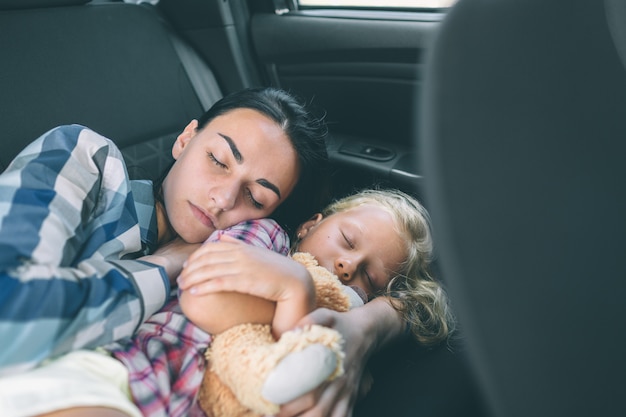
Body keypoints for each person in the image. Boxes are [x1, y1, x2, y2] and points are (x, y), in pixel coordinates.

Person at [0, 189, 453, 417]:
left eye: (370, 277)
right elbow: (205, 294)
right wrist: (295, 289)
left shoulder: (342, 335)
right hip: (128, 379)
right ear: (309, 224)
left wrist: (371, 319)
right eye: (347, 240)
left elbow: (420, 311)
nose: (346, 266)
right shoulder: (265, 239)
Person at [0, 86, 328, 378]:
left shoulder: (235, 283)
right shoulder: (87, 158)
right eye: (218, 159)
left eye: (255, 198)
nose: (223, 199)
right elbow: (9, 314)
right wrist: (166, 264)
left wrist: (376, 321)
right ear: (185, 140)